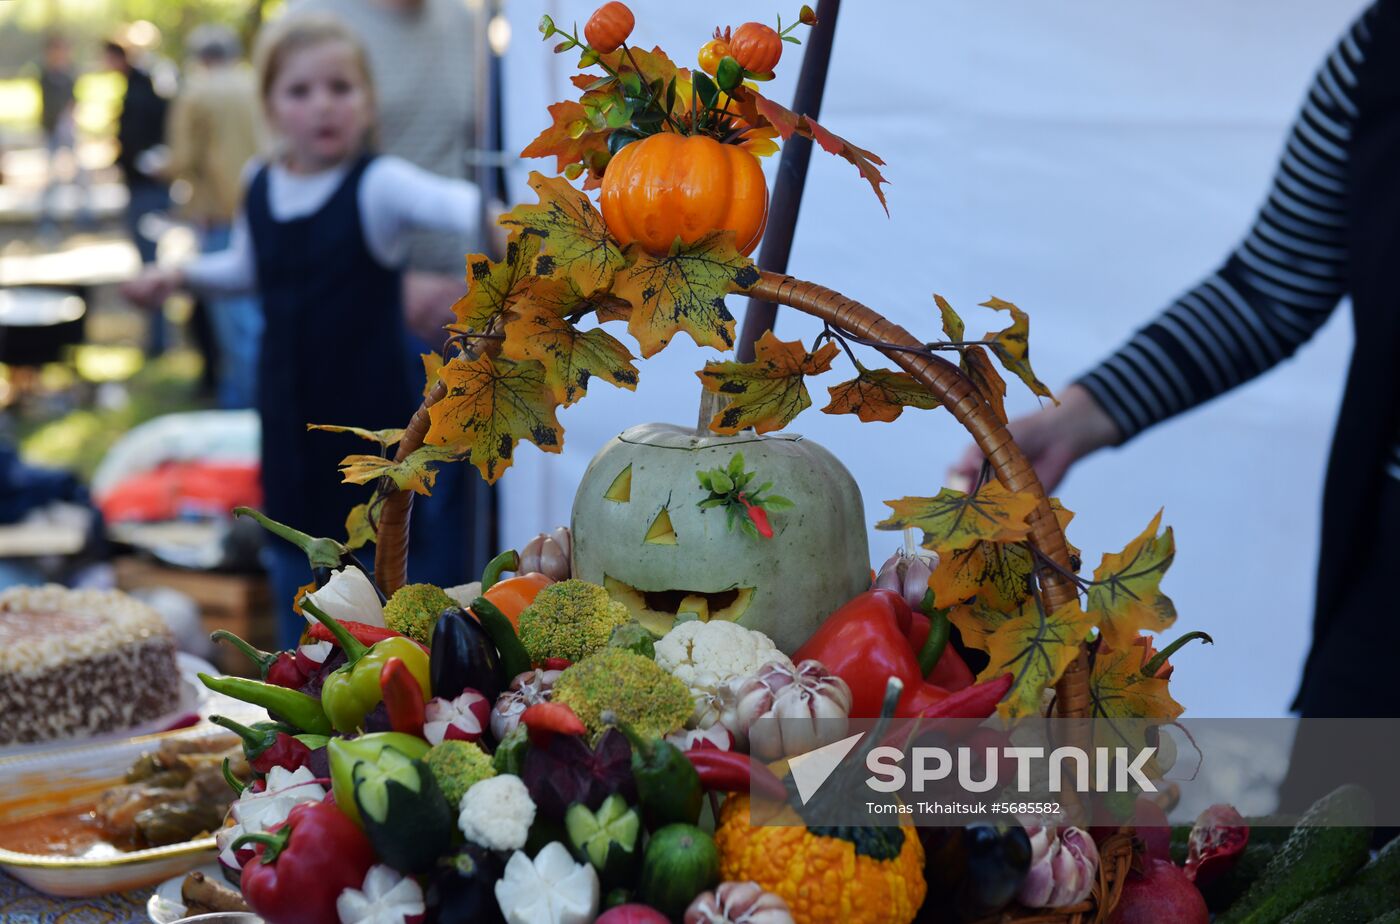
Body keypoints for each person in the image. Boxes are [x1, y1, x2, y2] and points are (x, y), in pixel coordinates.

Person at [953, 2, 1397, 724]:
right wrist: (1077, 418)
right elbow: (1271, 289)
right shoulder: (1380, 51)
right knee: (1335, 819)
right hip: (1386, 585)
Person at [122, 14, 483, 647]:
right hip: (289, 423)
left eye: (341, 88)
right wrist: (179, 277)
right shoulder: (259, 182)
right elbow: (248, 268)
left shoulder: (378, 184)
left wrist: (523, 244)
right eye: (300, 91)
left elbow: (472, 209)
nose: (323, 106)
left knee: (386, 580)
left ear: (367, 100)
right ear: (270, 105)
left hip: (370, 431)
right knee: (299, 562)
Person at [165, 25, 264, 409]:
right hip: (262, 207)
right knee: (255, 315)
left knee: (235, 323)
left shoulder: (197, 92)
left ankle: (246, 404)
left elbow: (181, 159)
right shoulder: (257, 83)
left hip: (219, 213)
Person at [104, 37, 171, 353]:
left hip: (147, 188)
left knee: (150, 264)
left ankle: (158, 341)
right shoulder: (142, 86)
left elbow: (140, 138)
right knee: (149, 261)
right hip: (145, 185)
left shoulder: (142, 91)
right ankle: (156, 338)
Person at [37, 34, 92, 234]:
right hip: (52, 130)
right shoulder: (46, 74)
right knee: (51, 175)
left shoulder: (69, 73)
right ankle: (47, 218)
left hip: (68, 129)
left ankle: (84, 213)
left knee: (80, 173)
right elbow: (50, 104)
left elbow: (73, 99)